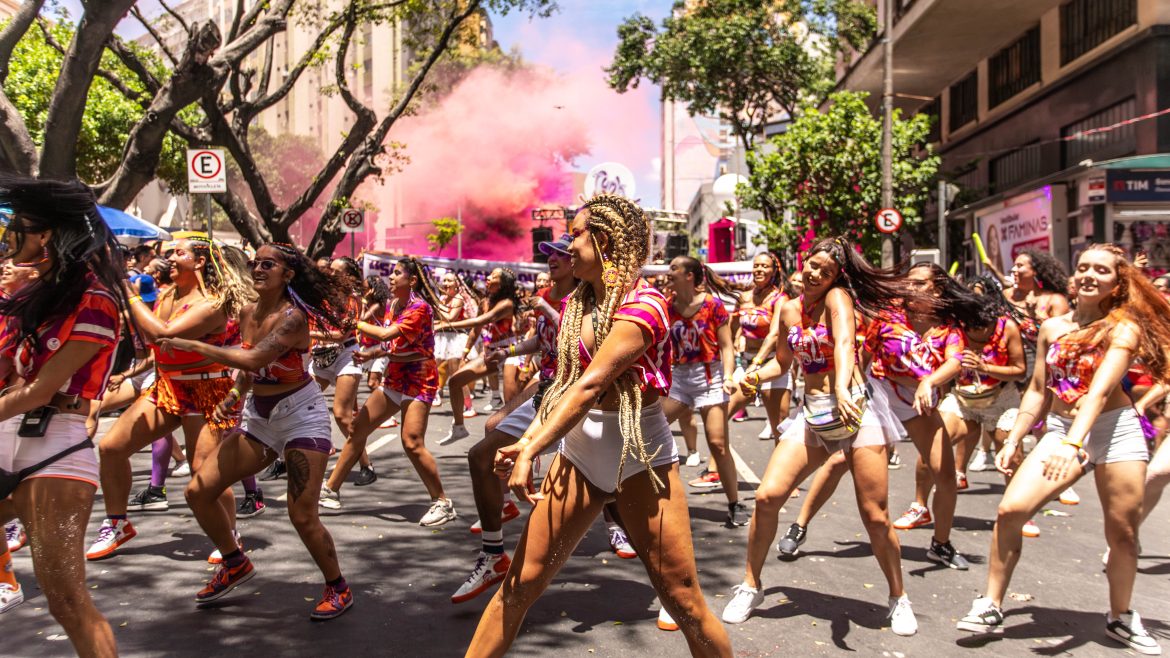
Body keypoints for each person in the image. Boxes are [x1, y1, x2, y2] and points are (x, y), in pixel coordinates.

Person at [466, 194, 732, 656]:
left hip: (641, 456)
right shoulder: (577, 304)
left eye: (576, 234)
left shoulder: (646, 304)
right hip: (581, 453)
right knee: (519, 586)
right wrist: (530, 437)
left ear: (603, 239)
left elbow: (590, 386)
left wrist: (530, 450)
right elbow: (563, 382)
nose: (567, 246)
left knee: (683, 600)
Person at [958, 244, 1167, 655]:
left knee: (1122, 532)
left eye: (1101, 270)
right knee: (1010, 510)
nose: (1090, 275)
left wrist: (1073, 445)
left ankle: (1120, 616)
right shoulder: (1054, 327)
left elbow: (1100, 391)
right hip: (1061, 427)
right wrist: (1016, 438)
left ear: (1117, 281)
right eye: (1084, 267)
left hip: (1114, 429)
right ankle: (990, 603)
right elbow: (1038, 390)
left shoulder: (1123, 327)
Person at [719, 236, 917, 636]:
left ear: (836, 277)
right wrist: (755, 376)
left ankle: (899, 598)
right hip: (812, 413)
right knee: (767, 496)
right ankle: (751, 585)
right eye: (812, 265)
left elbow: (843, 342)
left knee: (875, 515)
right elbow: (782, 364)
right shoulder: (789, 309)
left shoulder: (838, 299)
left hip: (855, 409)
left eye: (825, 271)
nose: (814, 274)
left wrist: (843, 388)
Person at [155, 243, 354, 619]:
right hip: (259, 418)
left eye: (268, 264)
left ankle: (337, 586)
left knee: (302, 515)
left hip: (301, 416)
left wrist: (190, 344)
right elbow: (250, 369)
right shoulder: (247, 312)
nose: (258, 269)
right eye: (254, 263)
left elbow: (255, 357)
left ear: (287, 274)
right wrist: (235, 394)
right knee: (198, 491)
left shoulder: (293, 317)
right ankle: (234, 562)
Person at [0, 176, 132, 656]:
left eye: (17, 225)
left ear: (46, 235)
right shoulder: (26, 296)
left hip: (56, 448)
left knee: (67, 601)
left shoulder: (95, 300)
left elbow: (41, 391)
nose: (8, 236)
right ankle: (7, 583)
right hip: (7, 435)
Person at [86, 236, 253, 562]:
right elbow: (155, 338)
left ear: (201, 261)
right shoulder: (168, 295)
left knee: (204, 472)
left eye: (178, 253)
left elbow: (161, 334)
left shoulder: (212, 302)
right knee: (111, 447)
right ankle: (117, 523)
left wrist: (125, 286)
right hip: (167, 387)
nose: (169, 259)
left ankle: (229, 531)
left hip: (207, 392)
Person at [451, 233, 581, 604]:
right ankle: (493, 555)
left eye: (559, 255)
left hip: (575, 398)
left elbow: (577, 341)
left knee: (600, 493)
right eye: (548, 256)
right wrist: (504, 350)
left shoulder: (583, 299)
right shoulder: (551, 299)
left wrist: (545, 306)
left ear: (576, 261)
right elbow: (543, 345)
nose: (550, 261)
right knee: (481, 453)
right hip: (547, 390)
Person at [321, 257, 456, 527]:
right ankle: (330, 490)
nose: (391, 278)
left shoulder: (419, 308)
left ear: (413, 280)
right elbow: (392, 344)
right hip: (395, 376)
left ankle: (442, 502)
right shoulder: (394, 304)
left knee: (411, 442)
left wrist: (352, 323)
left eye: (396, 274)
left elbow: (386, 335)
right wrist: (370, 353)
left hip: (419, 378)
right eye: (392, 274)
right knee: (359, 428)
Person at [870, 263, 972, 570]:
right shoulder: (889, 315)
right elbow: (863, 350)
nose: (909, 289)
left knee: (946, 476)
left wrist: (929, 382)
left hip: (919, 403)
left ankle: (941, 544)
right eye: (907, 283)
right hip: (879, 392)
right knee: (837, 461)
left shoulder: (948, 328)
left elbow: (954, 363)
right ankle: (801, 525)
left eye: (918, 284)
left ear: (936, 289)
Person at [662, 256, 745, 525]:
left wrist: (729, 375)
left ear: (689, 276)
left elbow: (726, 346)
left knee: (718, 444)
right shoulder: (667, 307)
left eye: (674, 268)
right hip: (679, 379)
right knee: (648, 429)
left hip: (709, 377)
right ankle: (650, 497)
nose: (668, 272)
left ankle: (734, 503)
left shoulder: (712, 305)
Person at [438, 267, 521, 444]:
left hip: (511, 352)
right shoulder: (484, 302)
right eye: (489, 275)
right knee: (455, 381)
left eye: (494, 276)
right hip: (490, 352)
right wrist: (465, 353)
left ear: (503, 283)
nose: (488, 277)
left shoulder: (507, 303)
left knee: (510, 405)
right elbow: (476, 331)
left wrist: (442, 326)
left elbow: (481, 321)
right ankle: (458, 427)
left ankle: (519, 444)